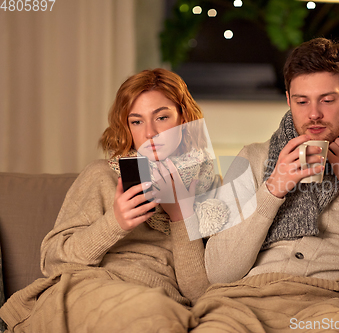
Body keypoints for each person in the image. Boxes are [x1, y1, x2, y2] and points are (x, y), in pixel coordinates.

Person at [190, 38, 339, 332]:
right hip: (242, 301)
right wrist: (273, 189)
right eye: (302, 101)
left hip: (329, 304)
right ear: (289, 100)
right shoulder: (251, 158)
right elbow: (219, 271)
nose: (313, 113)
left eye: (327, 100)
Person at [0, 68, 216, 333]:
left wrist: (181, 214)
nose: (150, 133)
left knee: (155, 314)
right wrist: (115, 222)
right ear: (126, 126)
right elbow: (52, 261)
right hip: (91, 291)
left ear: (183, 118)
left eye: (161, 117)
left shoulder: (210, 188)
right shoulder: (102, 175)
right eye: (136, 121)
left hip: (159, 306)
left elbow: (201, 294)